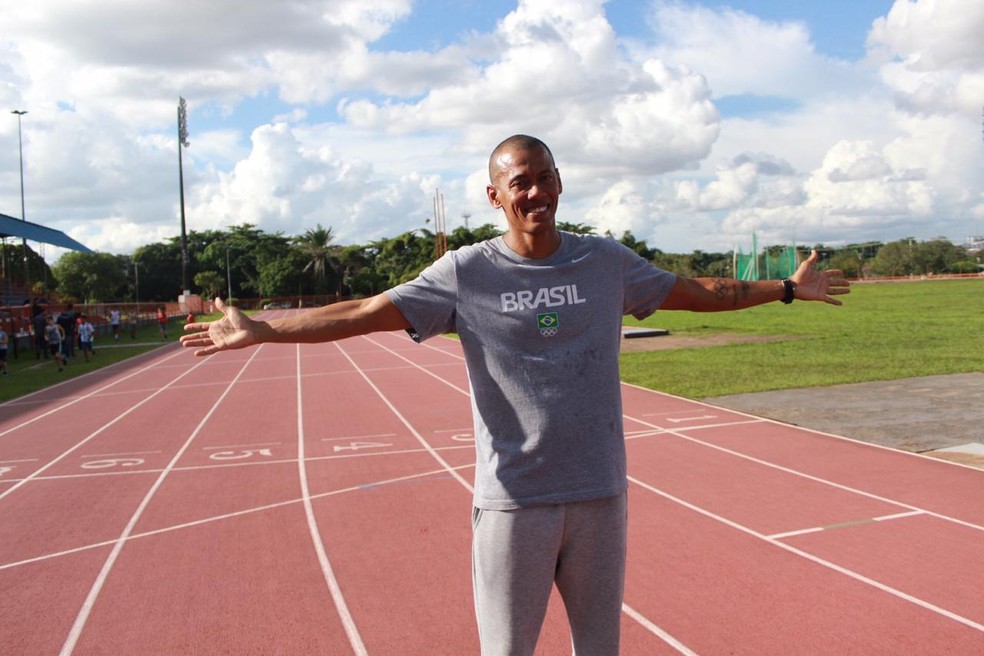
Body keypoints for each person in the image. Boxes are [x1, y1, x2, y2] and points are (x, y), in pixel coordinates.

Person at [181, 135, 850, 655]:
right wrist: (264, 330)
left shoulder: (605, 262)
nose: (536, 191)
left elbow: (700, 293)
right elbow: (363, 310)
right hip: (514, 504)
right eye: (519, 182)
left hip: (599, 494)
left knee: (600, 649)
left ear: (560, 183)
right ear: (496, 196)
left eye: (545, 177)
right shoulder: (465, 273)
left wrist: (787, 289)